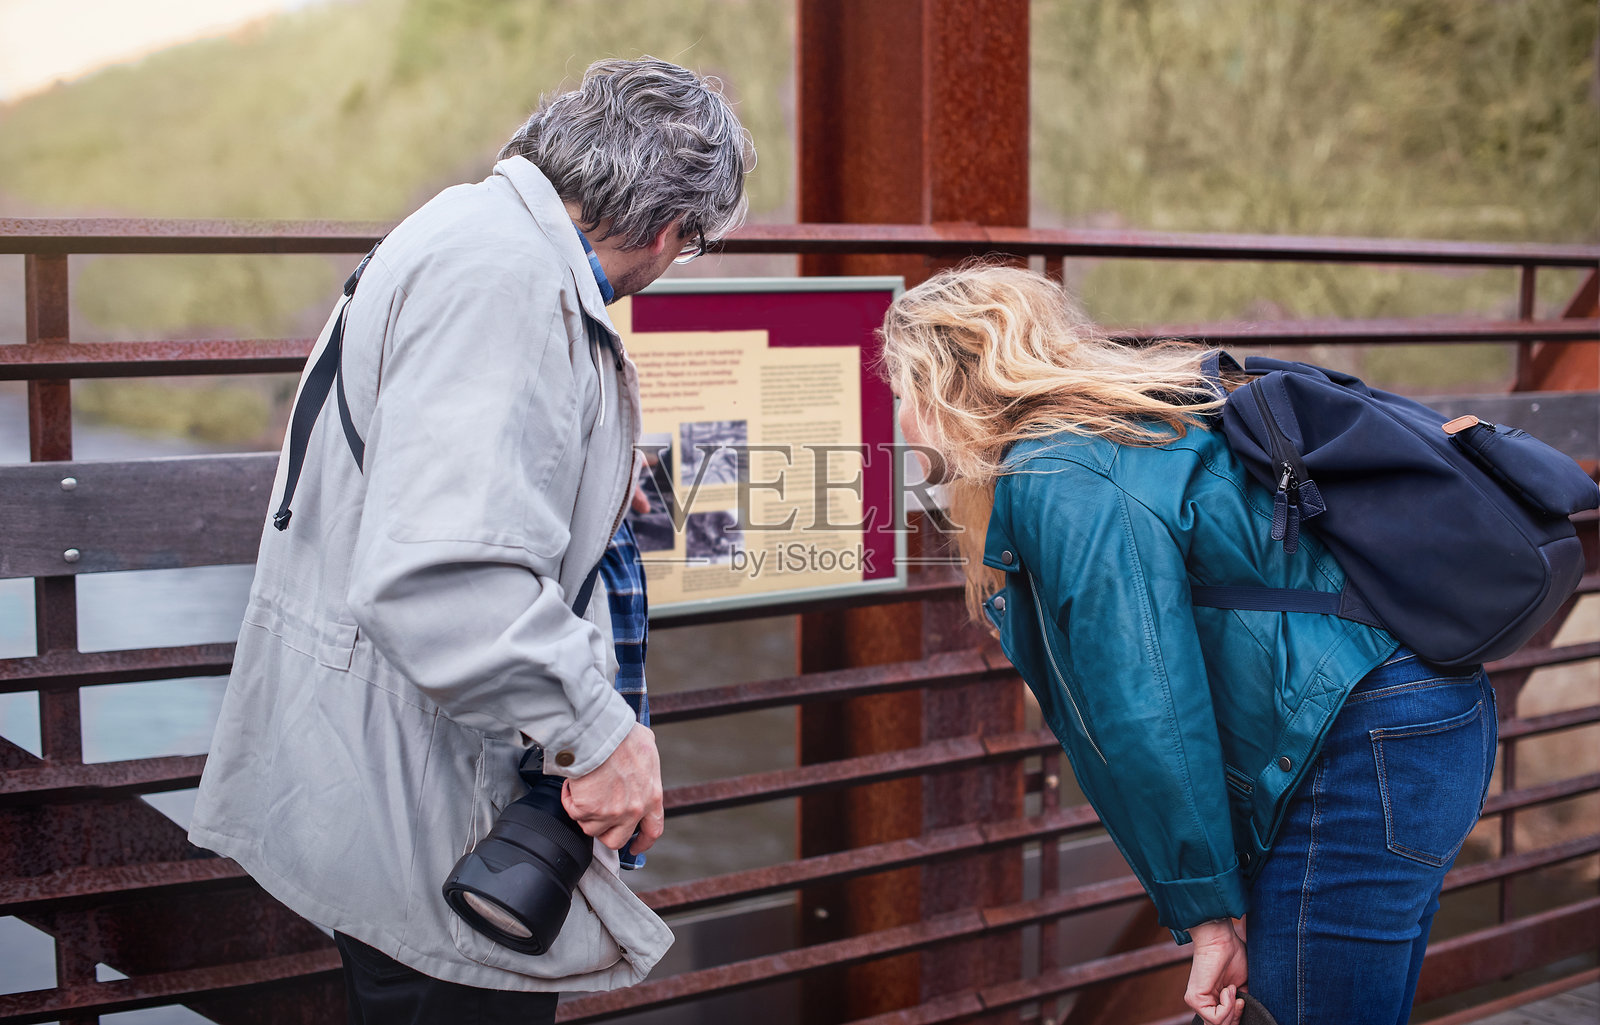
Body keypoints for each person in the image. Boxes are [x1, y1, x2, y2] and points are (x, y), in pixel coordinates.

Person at [189, 57, 753, 1024]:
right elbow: (444, 573)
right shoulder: (507, 280)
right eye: (689, 247)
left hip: (393, 770)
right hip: (424, 796)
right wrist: (601, 733)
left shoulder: (467, 232)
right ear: (668, 230)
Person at [877, 265, 1497, 1025]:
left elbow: (1145, 700)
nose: (900, 416)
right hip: (1421, 713)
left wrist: (1206, 915)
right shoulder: (1139, 417)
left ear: (946, 385)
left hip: (1356, 747)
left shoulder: (1059, 468)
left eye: (903, 390)